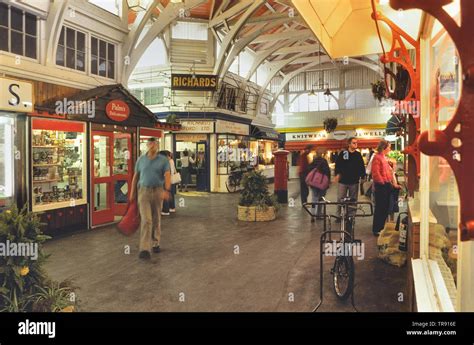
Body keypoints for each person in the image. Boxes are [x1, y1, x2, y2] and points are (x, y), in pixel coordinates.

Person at [130, 138, 171, 260]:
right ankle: (144, 248)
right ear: (147, 145)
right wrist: (132, 192)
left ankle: (156, 242)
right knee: (146, 220)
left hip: (158, 190)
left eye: (155, 144)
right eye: (150, 143)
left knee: (156, 217)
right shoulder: (141, 160)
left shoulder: (163, 160)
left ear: (157, 146)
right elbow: (135, 176)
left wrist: (166, 190)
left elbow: (167, 175)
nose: (152, 146)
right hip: (143, 191)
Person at [371, 140, 401, 236]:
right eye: (389, 146)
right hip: (381, 186)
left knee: (384, 208)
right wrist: (383, 183)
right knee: (380, 208)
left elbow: (388, 172)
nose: (390, 148)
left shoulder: (384, 157)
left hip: (386, 185)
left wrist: (391, 184)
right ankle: (377, 229)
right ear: (384, 147)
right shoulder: (377, 157)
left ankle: (381, 228)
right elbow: (376, 173)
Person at [334, 137, 366, 217]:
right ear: (349, 144)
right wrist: (337, 174)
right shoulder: (344, 153)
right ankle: (339, 215)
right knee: (341, 198)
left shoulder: (358, 154)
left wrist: (362, 176)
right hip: (343, 180)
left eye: (356, 143)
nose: (356, 144)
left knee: (353, 199)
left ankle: (351, 215)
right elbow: (338, 165)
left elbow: (361, 166)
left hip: (354, 181)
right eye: (354, 143)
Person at [308, 148, 331, 219]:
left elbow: (309, 170)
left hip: (314, 183)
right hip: (321, 183)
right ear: (322, 154)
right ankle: (319, 214)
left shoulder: (313, 161)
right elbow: (327, 172)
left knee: (314, 198)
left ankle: (312, 214)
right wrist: (328, 182)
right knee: (321, 198)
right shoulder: (324, 161)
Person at [161, 151, 177, 216]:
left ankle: (165, 210)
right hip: (172, 180)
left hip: (167, 180)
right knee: (171, 195)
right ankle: (172, 207)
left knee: (166, 195)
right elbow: (174, 171)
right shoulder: (172, 161)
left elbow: (167, 173)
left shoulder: (167, 162)